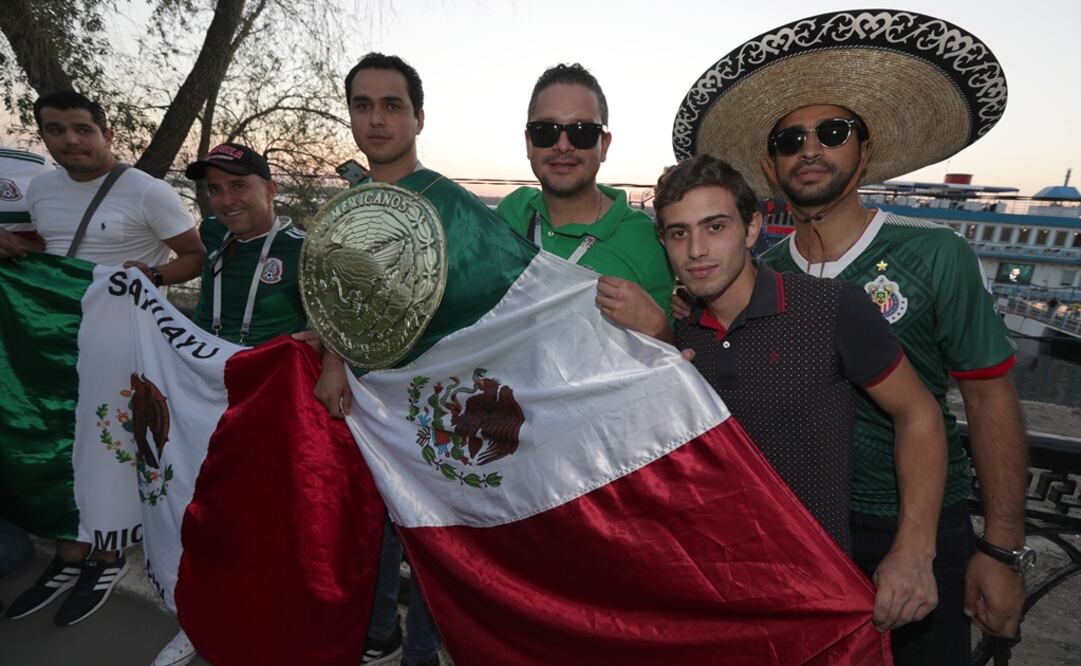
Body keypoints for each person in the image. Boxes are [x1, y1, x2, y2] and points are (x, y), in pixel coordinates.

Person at [670, 10, 1029, 664]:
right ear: (767, 166)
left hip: (921, 534)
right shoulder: (760, 274)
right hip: (802, 538)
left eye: (831, 132)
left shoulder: (936, 256)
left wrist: (999, 548)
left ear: (863, 150)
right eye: (788, 140)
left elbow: (989, 400)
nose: (809, 149)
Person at [654, 153, 945, 630]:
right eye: (679, 233)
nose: (697, 250)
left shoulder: (831, 308)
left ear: (752, 229)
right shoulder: (677, 338)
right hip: (709, 596)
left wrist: (913, 551)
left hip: (815, 593)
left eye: (715, 227)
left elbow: (919, 415)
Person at [2, 90, 204, 627]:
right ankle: (70, 551)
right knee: (58, 441)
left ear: (106, 134)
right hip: (56, 343)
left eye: (81, 129)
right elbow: (59, 255)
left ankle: (108, 554)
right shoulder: (42, 190)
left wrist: (153, 275)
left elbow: (194, 256)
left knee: (111, 447)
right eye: (55, 130)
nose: (69, 140)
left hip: (122, 347)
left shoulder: (147, 192)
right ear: (42, 135)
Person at [146, 142, 308, 666]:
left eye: (238, 185)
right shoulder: (213, 236)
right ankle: (198, 618)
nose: (224, 199)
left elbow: (330, 329)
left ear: (270, 190)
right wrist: (145, 281)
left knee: (261, 528)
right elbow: (190, 261)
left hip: (266, 410)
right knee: (201, 515)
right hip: (202, 400)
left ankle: (262, 632)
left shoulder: (305, 249)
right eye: (214, 189)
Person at [496, 63, 674, 341]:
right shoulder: (511, 214)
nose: (563, 145)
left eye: (582, 131)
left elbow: (669, 364)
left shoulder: (647, 240)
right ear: (529, 143)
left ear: (604, 145)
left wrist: (660, 331)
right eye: (546, 130)